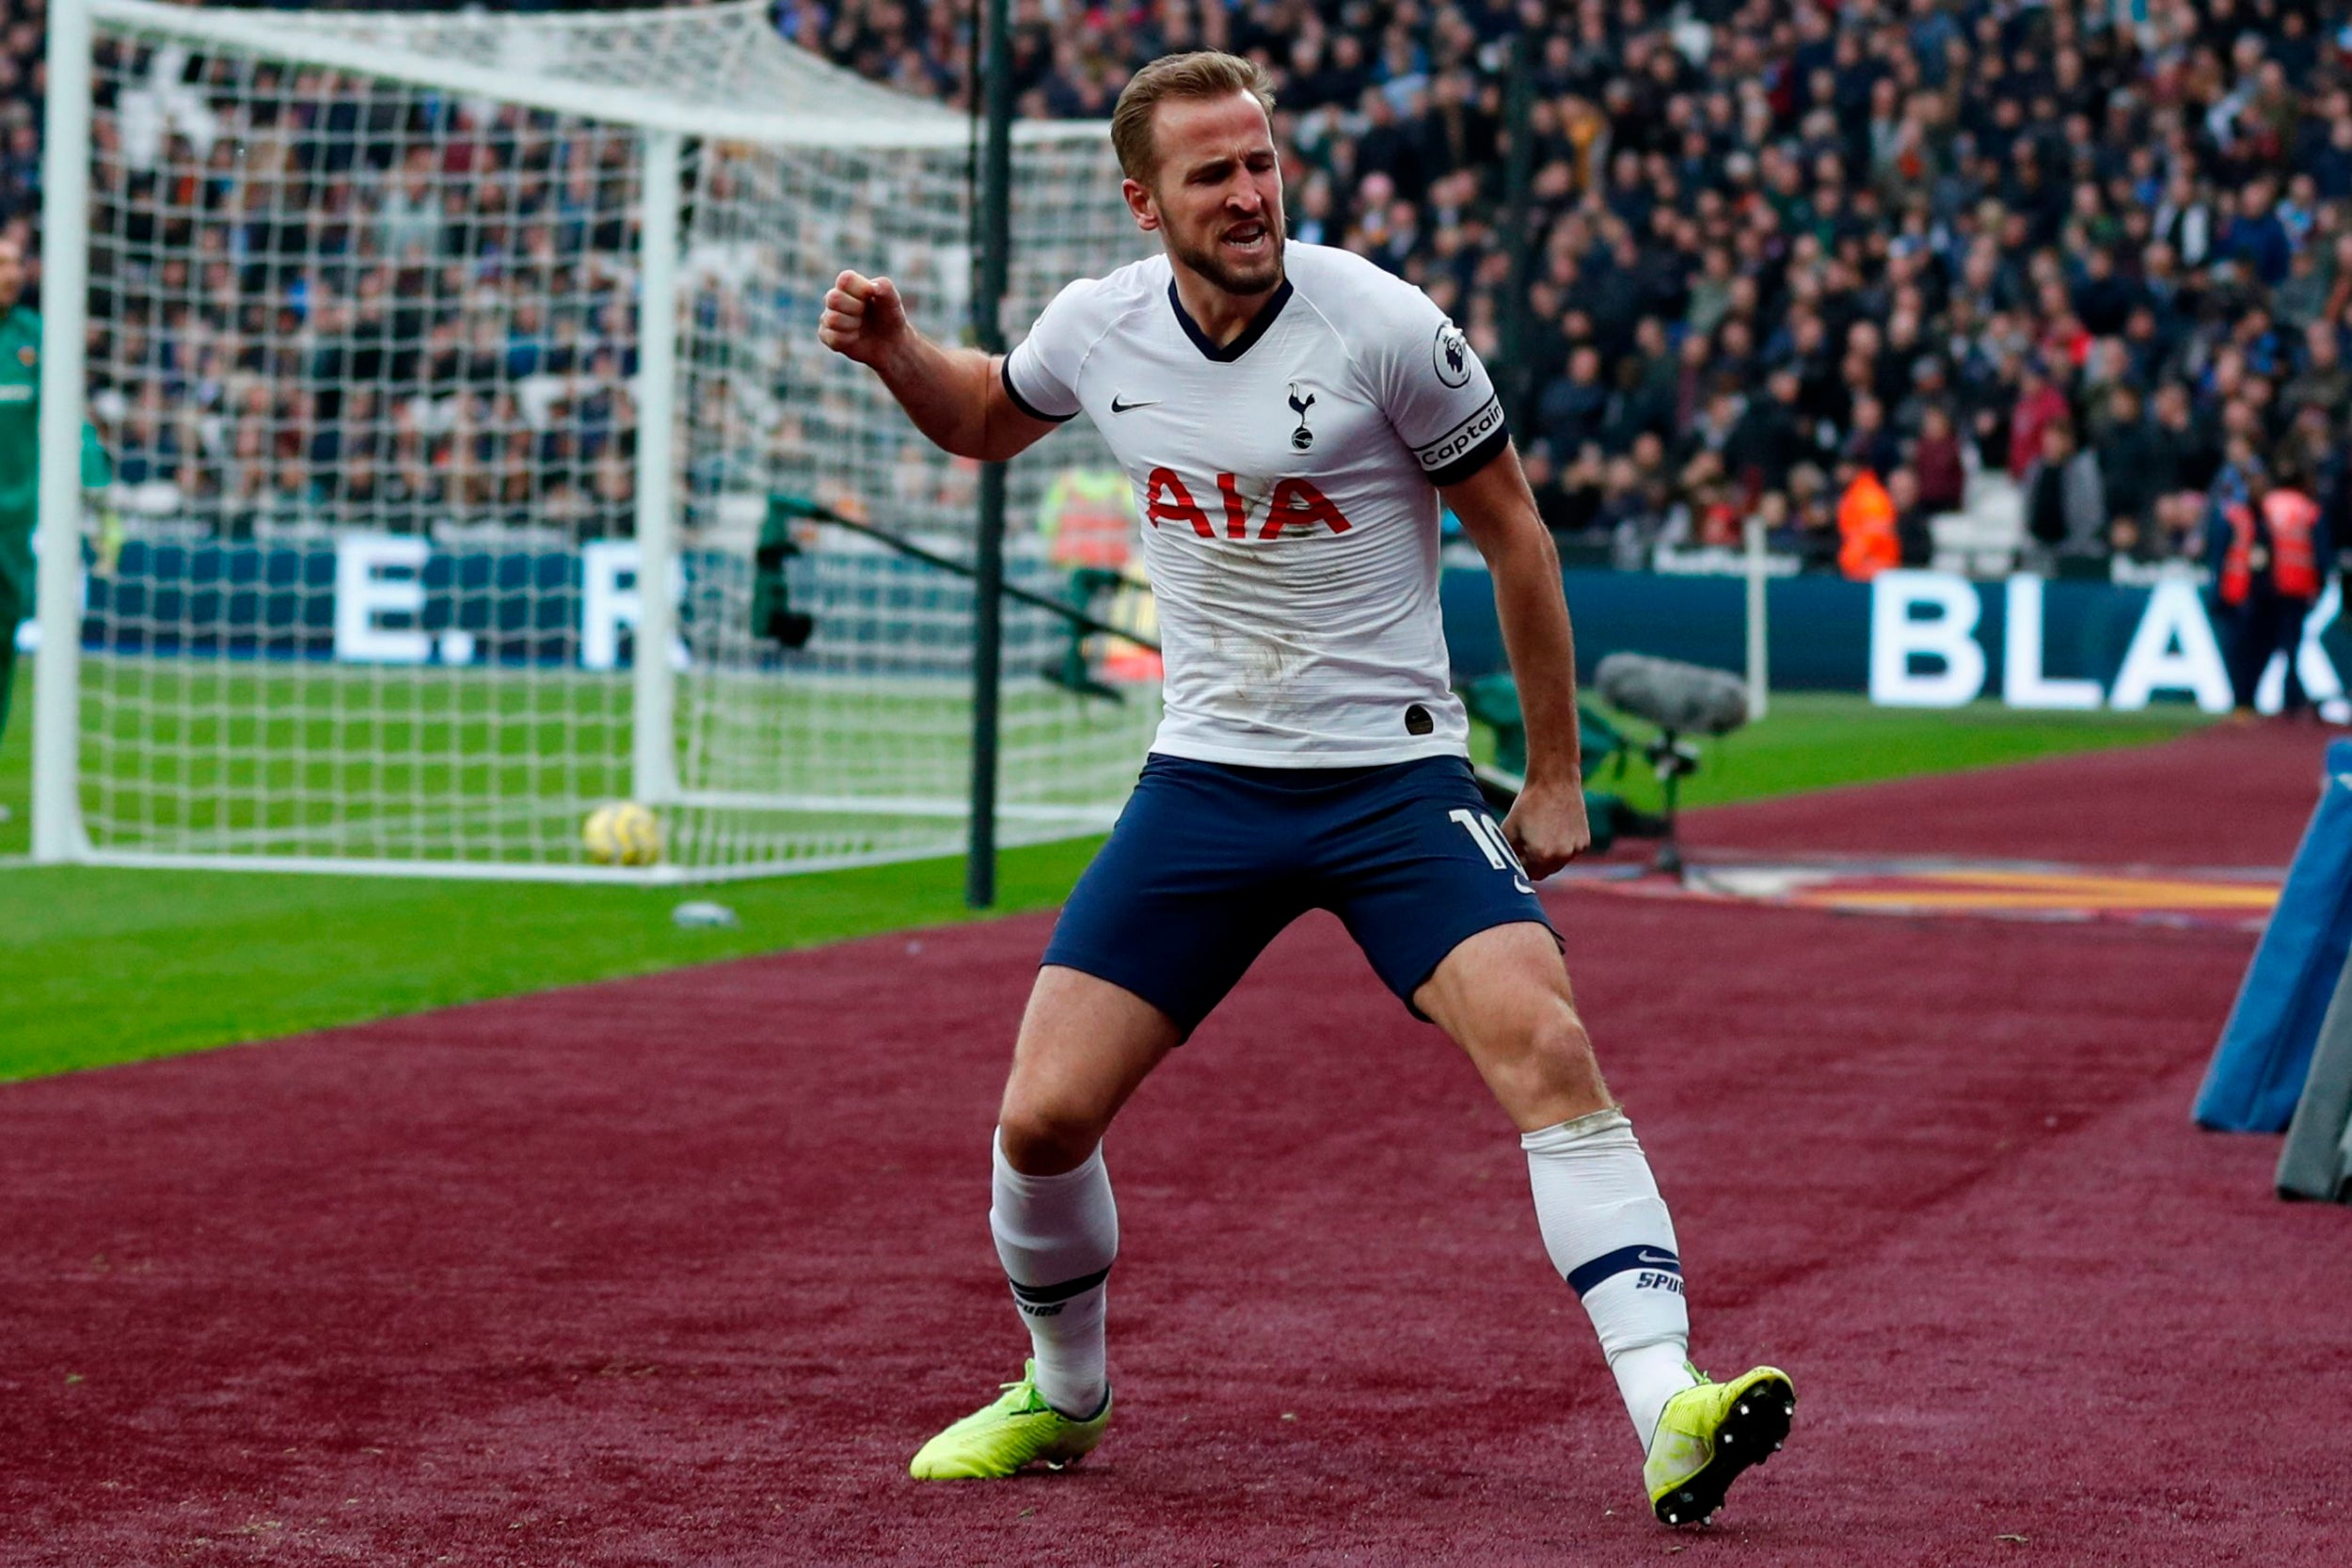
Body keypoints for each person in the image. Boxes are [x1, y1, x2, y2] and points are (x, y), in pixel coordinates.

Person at [818, 52, 1791, 1528]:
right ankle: (1064, 1394)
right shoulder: (1099, 326)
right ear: (1145, 201)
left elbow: (1516, 538)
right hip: (1207, 780)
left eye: (1262, 161)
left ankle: (1671, 1407)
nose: (1250, 193)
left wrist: (1552, 771)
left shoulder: (1385, 325)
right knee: (1039, 1122)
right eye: (1212, 173)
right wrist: (897, 348)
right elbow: (983, 418)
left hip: (1394, 779)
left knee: (1546, 1046)